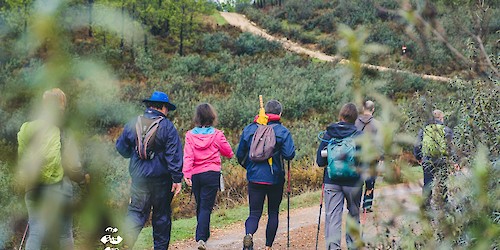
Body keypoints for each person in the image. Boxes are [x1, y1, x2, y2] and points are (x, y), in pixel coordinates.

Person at [17, 88, 88, 250]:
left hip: (34, 187)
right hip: (61, 189)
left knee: (35, 232)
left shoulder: (27, 128)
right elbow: (75, 165)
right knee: (65, 234)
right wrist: (83, 181)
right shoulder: (65, 131)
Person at [116, 91, 183, 249]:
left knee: (136, 213)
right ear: (163, 108)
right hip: (161, 181)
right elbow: (173, 155)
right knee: (161, 217)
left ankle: (124, 242)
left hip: (139, 180)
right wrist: (177, 179)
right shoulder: (167, 126)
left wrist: (134, 156)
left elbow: (121, 148)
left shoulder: (133, 123)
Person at [236, 100, 295, 250]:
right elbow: (289, 155)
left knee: (254, 213)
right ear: (280, 114)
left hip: (255, 177)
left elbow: (240, 154)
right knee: (273, 212)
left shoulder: (250, 129)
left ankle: (249, 234)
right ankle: (268, 246)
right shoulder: (282, 131)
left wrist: (249, 167)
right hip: (275, 178)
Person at [182, 103, 234, 250]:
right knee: (206, 207)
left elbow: (188, 156)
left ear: (197, 117)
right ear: (212, 116)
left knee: (200, 206)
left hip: (196, 175)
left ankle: (204, 236)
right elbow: (228, 152)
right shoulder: (217, 134)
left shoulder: (190, 135)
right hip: (211, 174)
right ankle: (201, 238)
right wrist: (228, 153)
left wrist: (186, 173)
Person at [316, 103, 364, 250]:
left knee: (333, 216)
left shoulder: (329, 133)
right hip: (354, 183)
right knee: (354, 214)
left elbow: (320, 161)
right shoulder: (359, 135)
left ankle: (333, 247)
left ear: (341, 116)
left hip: (332, 181)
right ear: (355, 118)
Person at [413, 109, 456, 207]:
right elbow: (451, 146)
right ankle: (444, 205)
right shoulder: (446, 130)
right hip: (442, 160)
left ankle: (426, 206)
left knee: (428, 183)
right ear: (441, 118)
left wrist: (418, 157)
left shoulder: (424, 130)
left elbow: (417, 145)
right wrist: (453, 160)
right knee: (443, 182)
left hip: (427, 160)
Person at [354, 100, 382, 213]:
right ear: (373, 109)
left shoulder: (355, 122)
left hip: (357, 155)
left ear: (362, 108)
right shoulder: (377, 124)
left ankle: (356, 204)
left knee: (358, 180)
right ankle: (367, 205)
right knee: (370, 181)